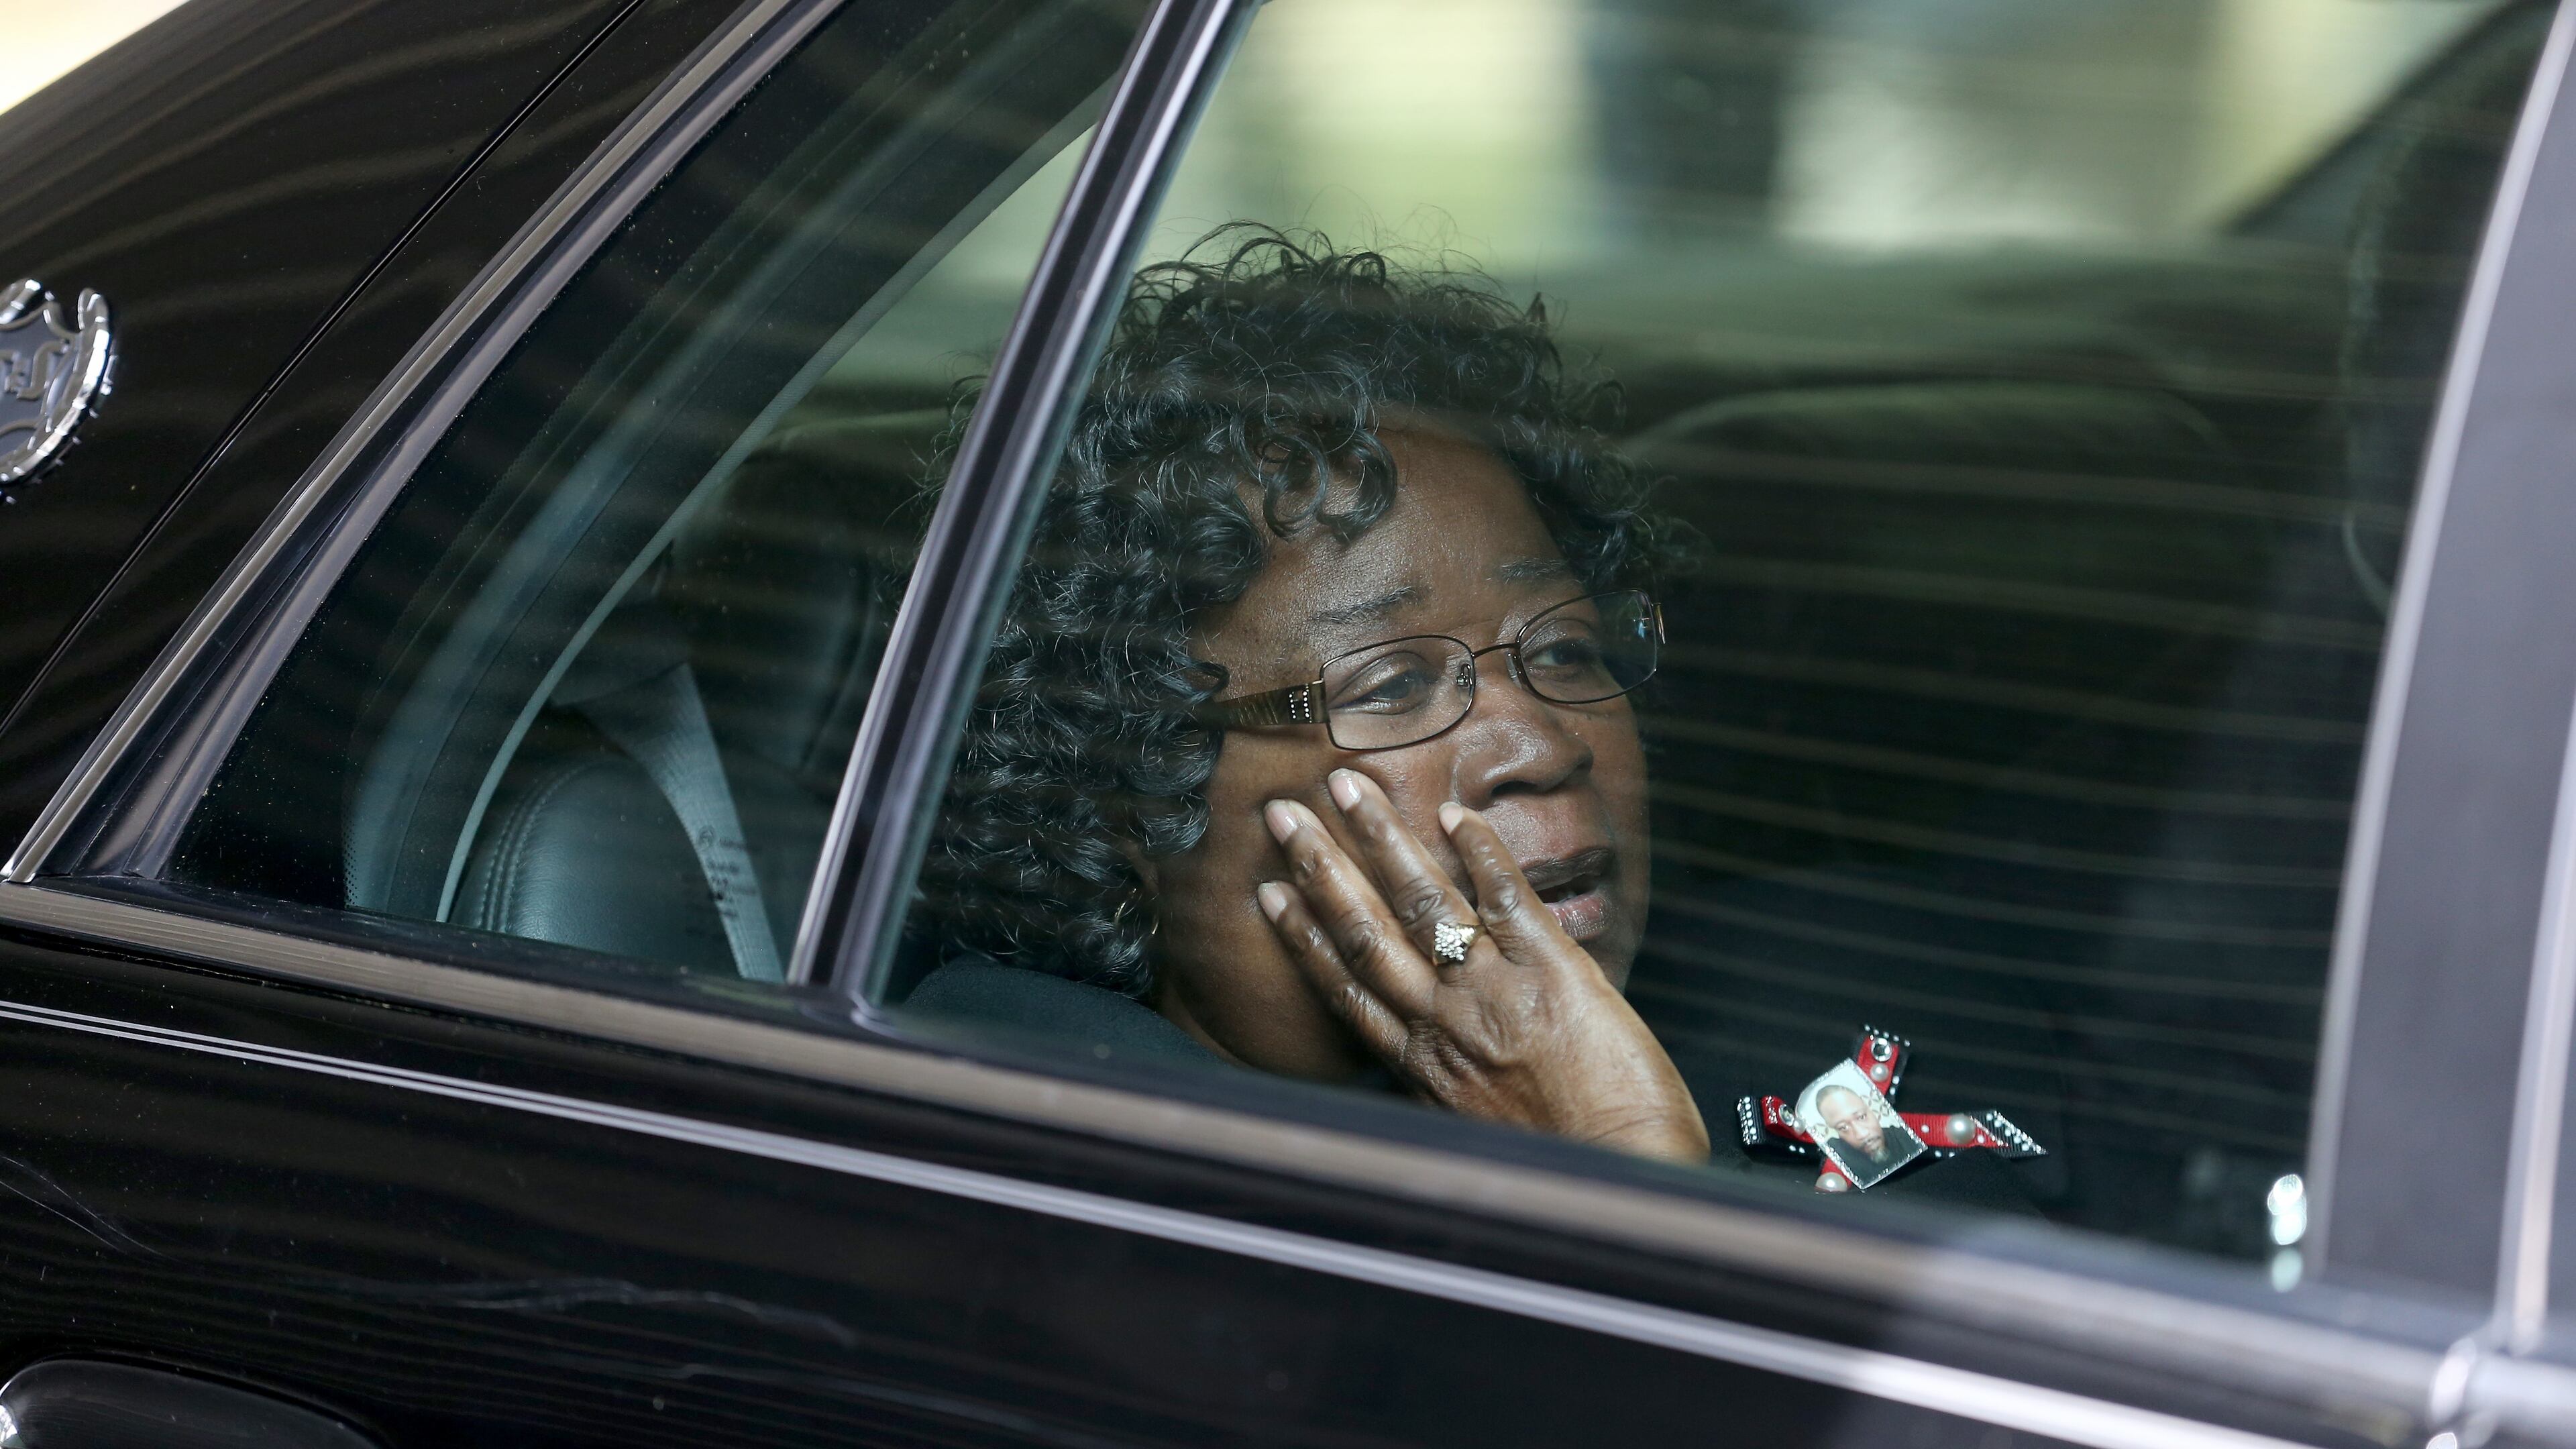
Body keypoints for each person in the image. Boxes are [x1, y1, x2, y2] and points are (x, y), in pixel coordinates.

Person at [905, 225, 1709, 1164]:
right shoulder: (1041, 1153)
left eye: (1568, 650)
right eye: (1395, 682)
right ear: (1132, 801)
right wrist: (1619, 1152)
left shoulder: (1794, 1017)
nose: (1539, 748)